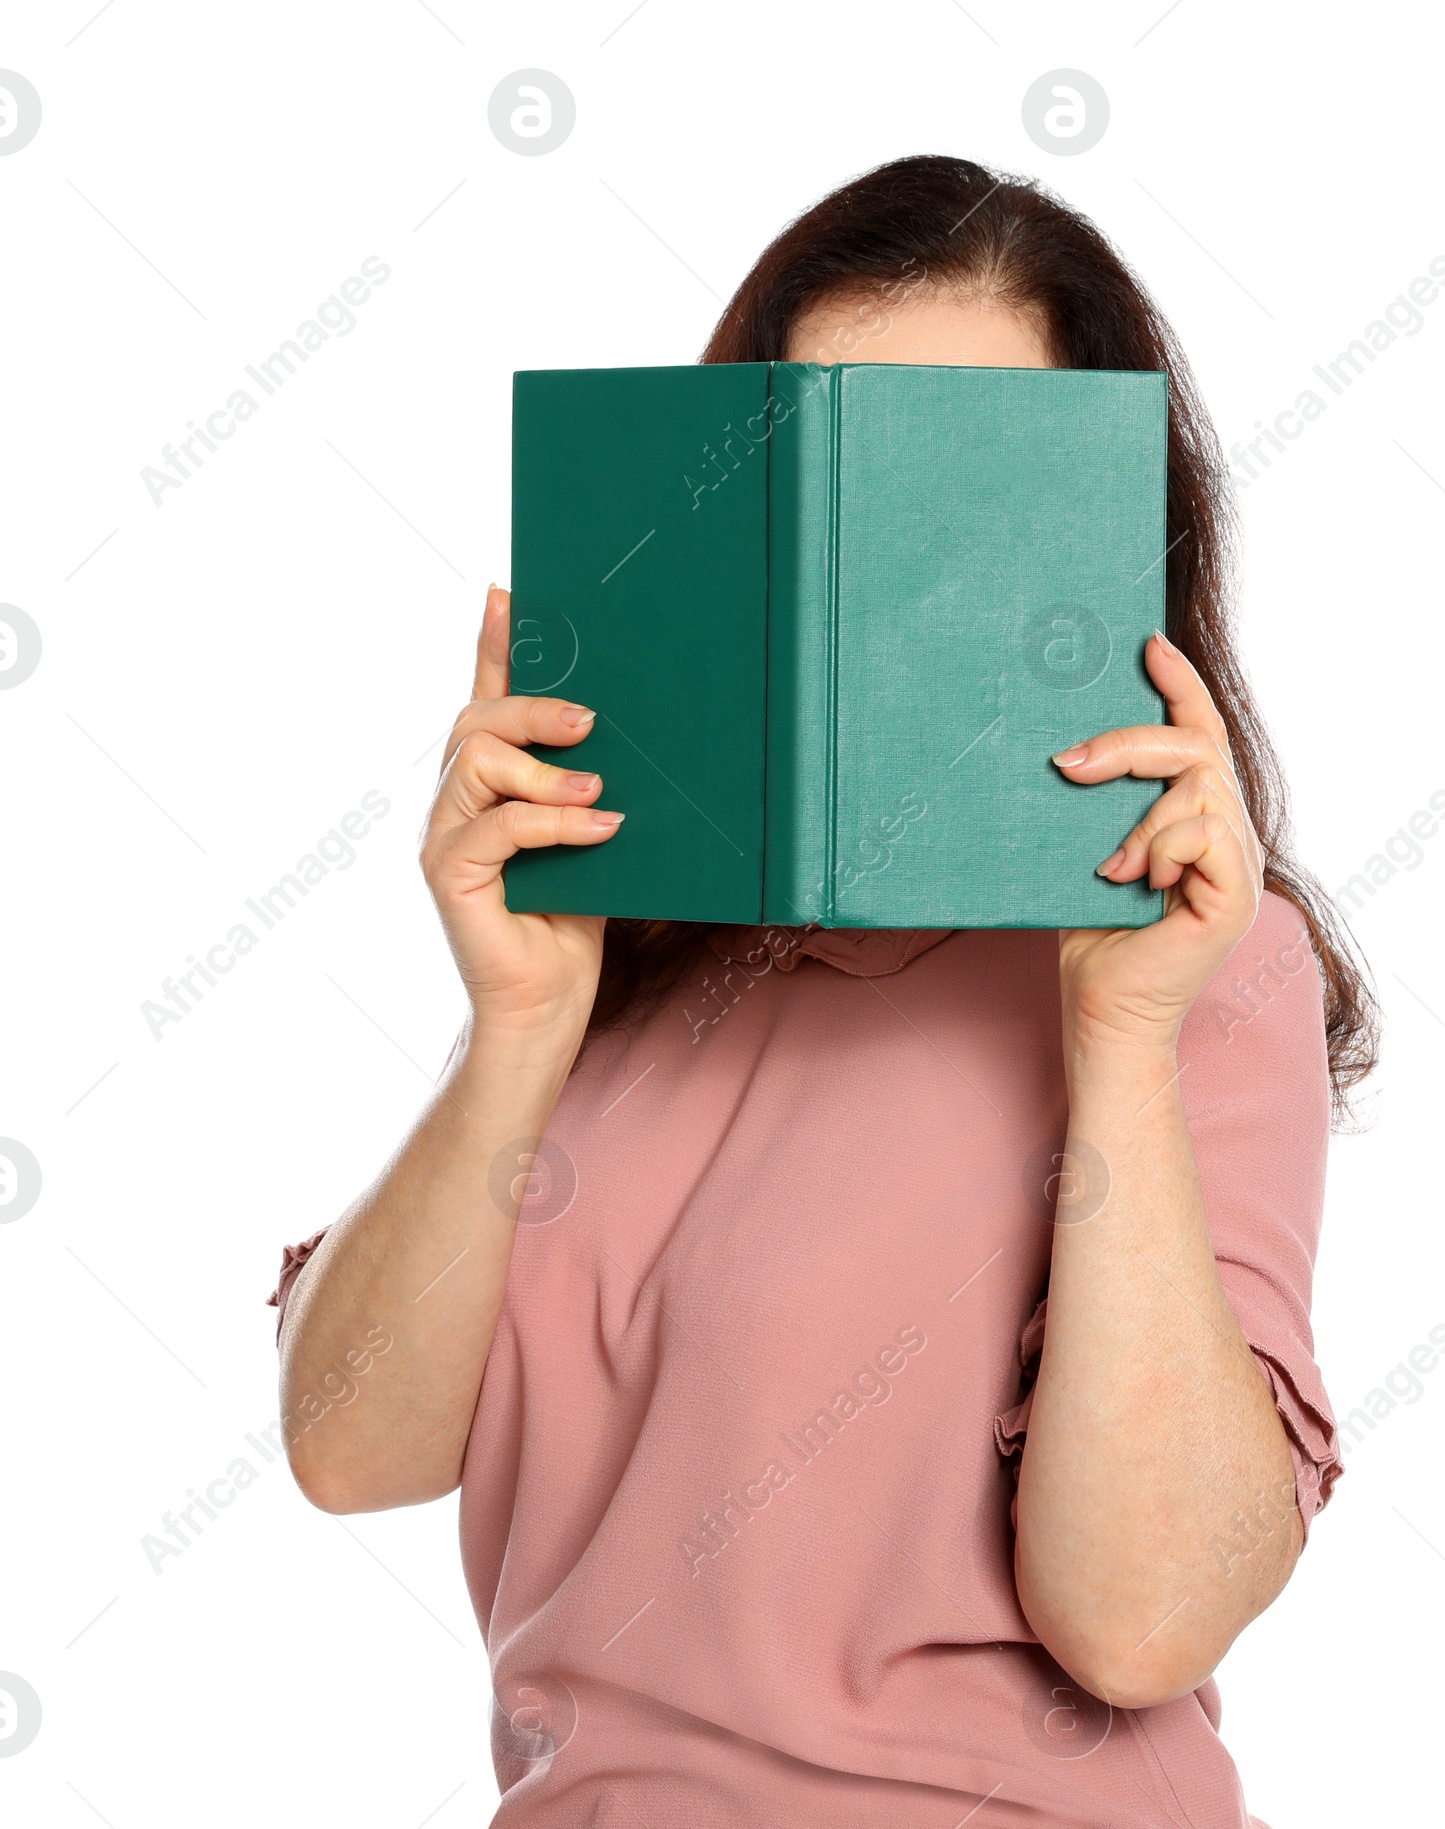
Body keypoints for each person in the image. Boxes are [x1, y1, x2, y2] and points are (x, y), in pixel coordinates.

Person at [269, 154, 1377, 1827]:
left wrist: (1125, 1041)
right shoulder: (623, 953)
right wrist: (517, 1030)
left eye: (971, 494)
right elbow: (349, 1449)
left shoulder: (1201, 974)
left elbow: (1146, 1615)